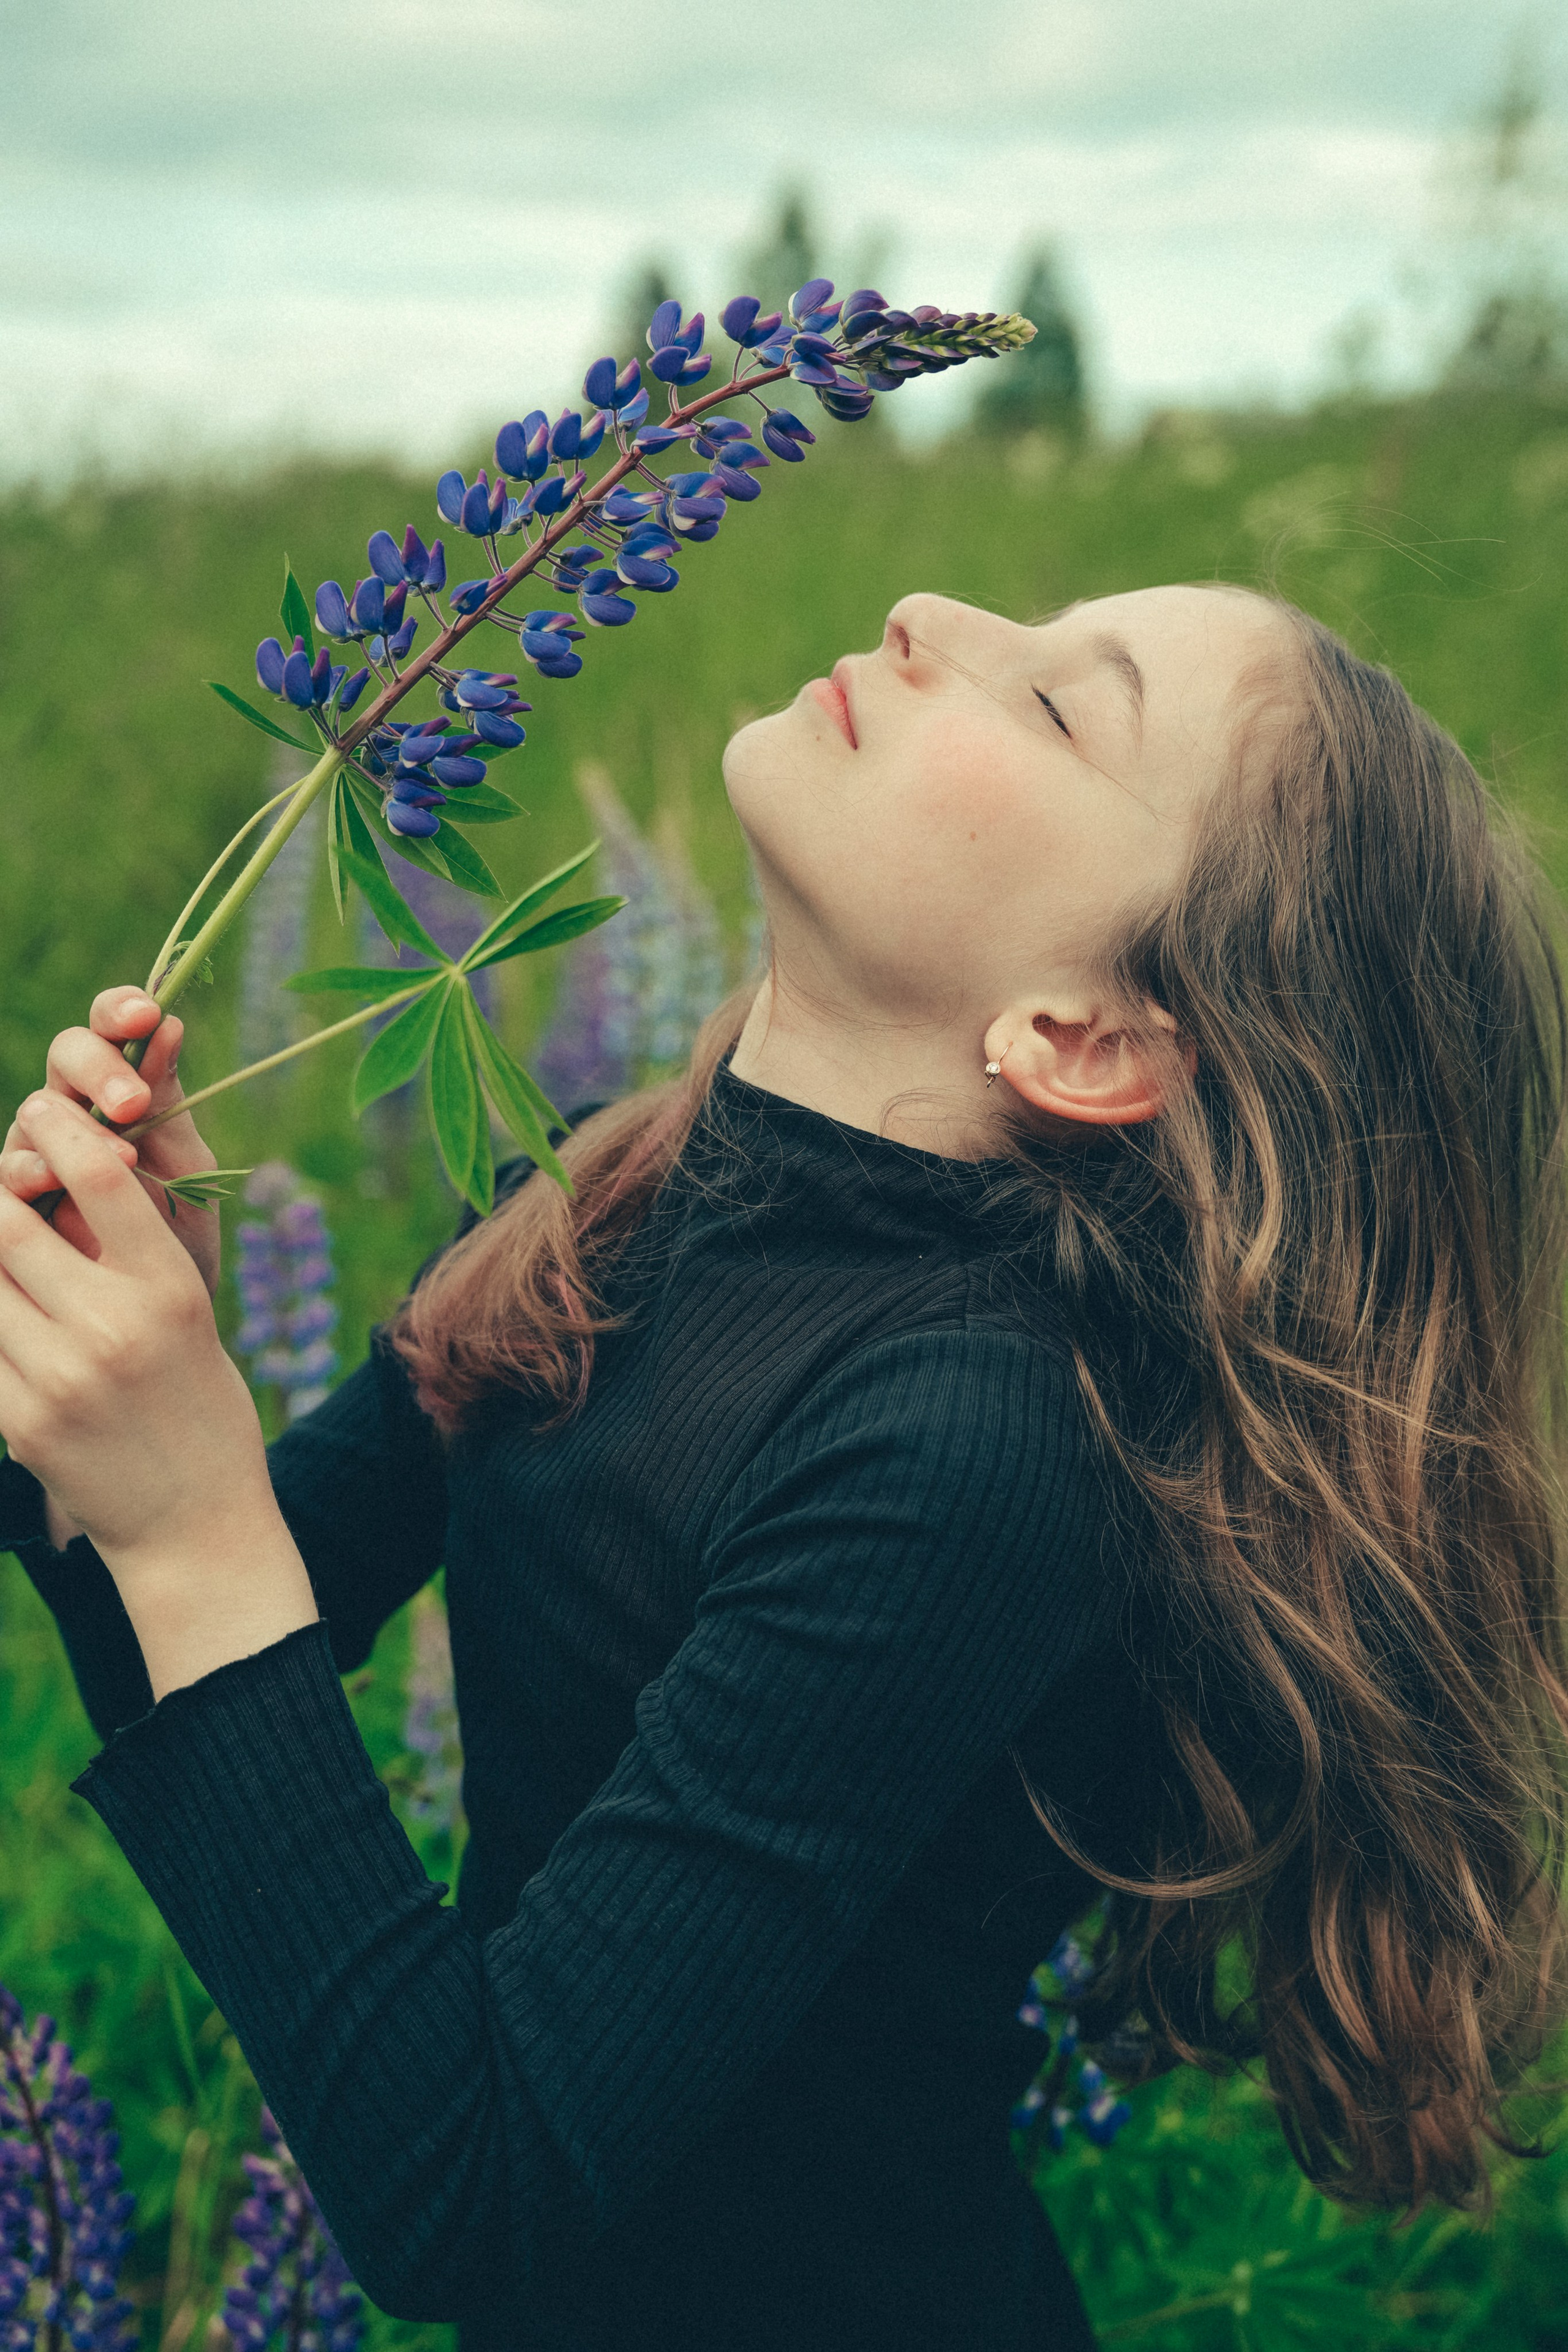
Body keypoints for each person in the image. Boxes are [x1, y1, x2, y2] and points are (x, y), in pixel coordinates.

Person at [0, 585, 1564, 2351]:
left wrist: (190, 1520)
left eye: (1062, 706)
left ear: (1085, 1037)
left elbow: (470, 2184)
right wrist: (106, 1417)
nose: (928, 610)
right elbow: (198, 1654)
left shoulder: (978, 1444)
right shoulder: (603, 1179)